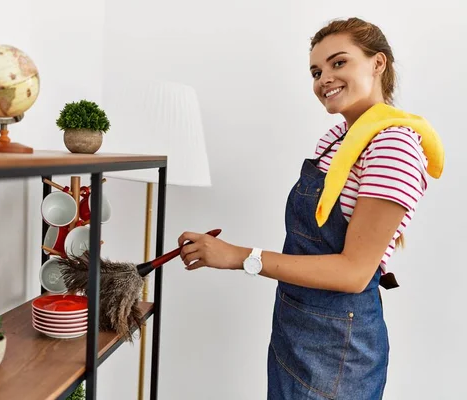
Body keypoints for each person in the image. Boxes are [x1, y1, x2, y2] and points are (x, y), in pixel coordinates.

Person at [178, 17, 444, 399]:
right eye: (316, 71)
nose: (324, 80)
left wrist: (240, 257)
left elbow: (354, 272)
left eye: (339, 63)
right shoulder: (339, 138)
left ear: (378, 63)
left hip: (337, 347)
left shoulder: (393, 147)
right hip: (297, 324)